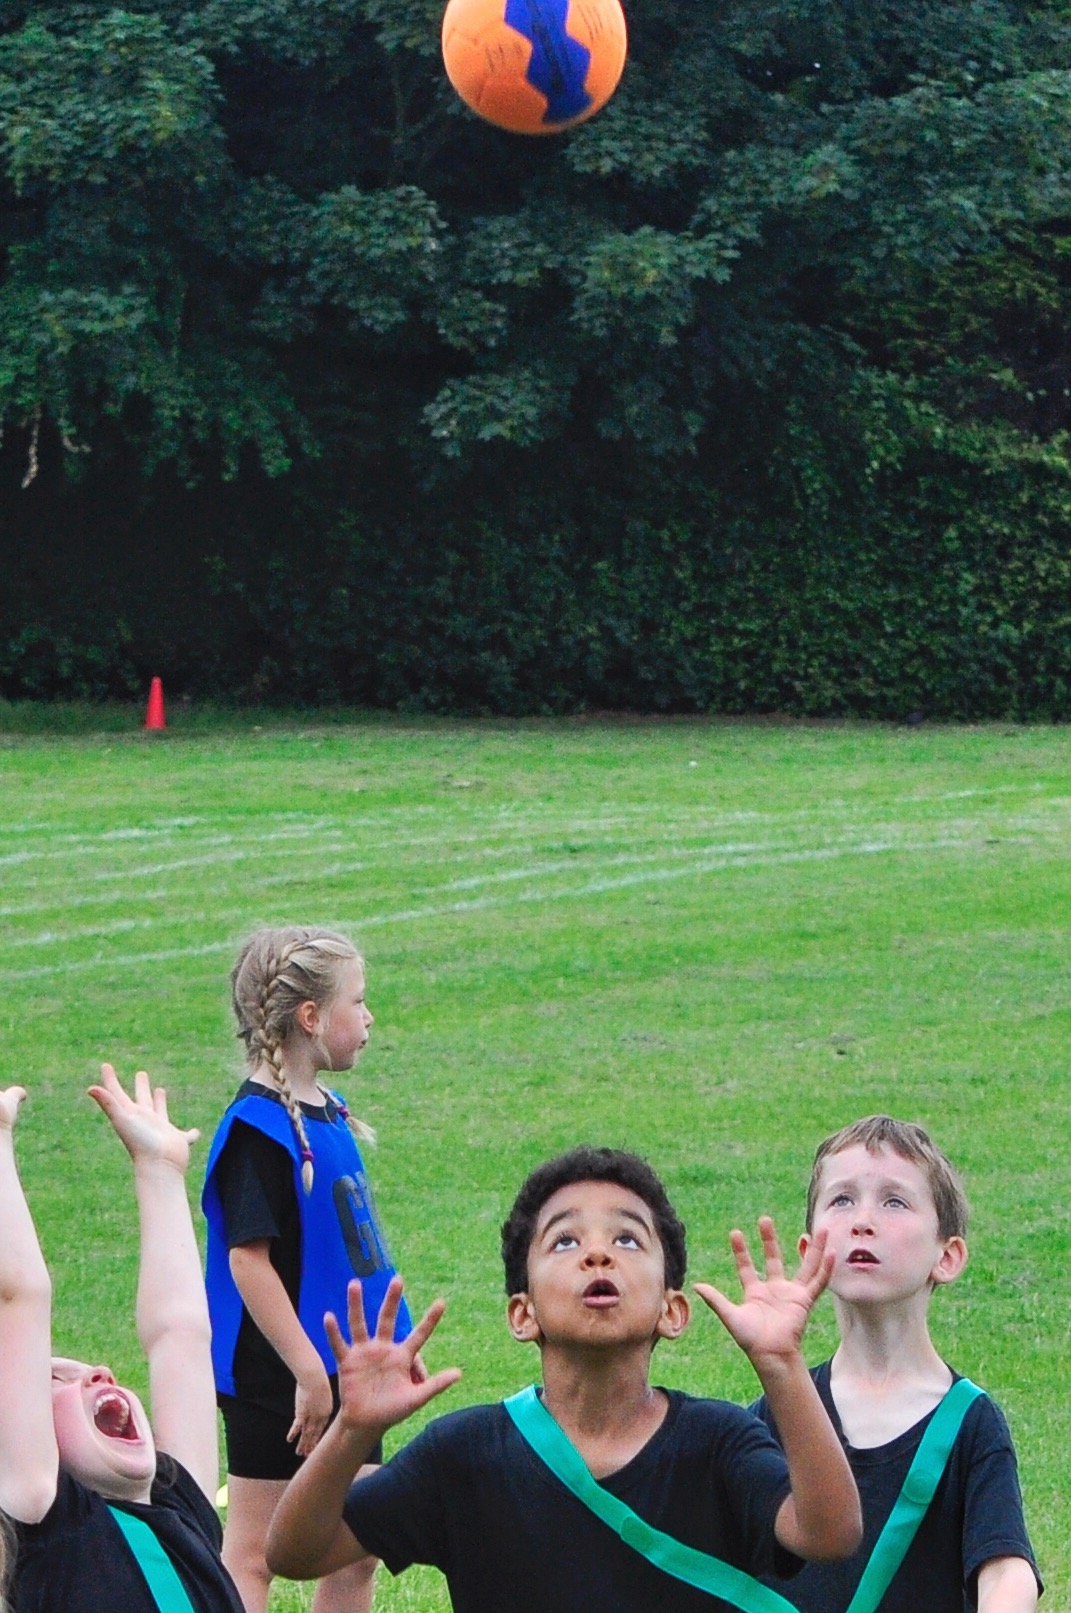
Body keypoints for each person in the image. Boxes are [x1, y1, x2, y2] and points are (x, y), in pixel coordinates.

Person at [266, 1144, 862, 1612]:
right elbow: (295, 1553)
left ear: (671, 1310)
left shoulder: (719, 1442)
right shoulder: (464, 1455)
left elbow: (831, 1533)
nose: (597, 1255)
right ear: (523, 1314)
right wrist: (351, 1430)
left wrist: (781, 1363)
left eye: (628, 1239)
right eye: (565, 1240)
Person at [202, 926, 412, 1613]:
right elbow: (248, 1262)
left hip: (349, 1367)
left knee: (357, 1542)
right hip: (280, 1375)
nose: (370, 1015)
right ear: (311, 1017)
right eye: (359, 999)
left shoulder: (324, 1112)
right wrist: (306, 1374)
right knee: (255, 1551)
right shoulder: (257, 1129)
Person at [752, 1115, 1041, 1613]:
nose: (863, 1219)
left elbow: (1007, 1569)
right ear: (809, 1251)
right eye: (842, 1199)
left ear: (946, 1256)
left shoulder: (970, 1424)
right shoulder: (777, 1412)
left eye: (894, 1201)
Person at [0, 1065, 245, 1613]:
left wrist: (159, 1172)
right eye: (55, 1380)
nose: (96, 1374)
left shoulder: (184, 1510)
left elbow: (179, 1335)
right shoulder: (49, 1527)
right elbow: (19, 1298)